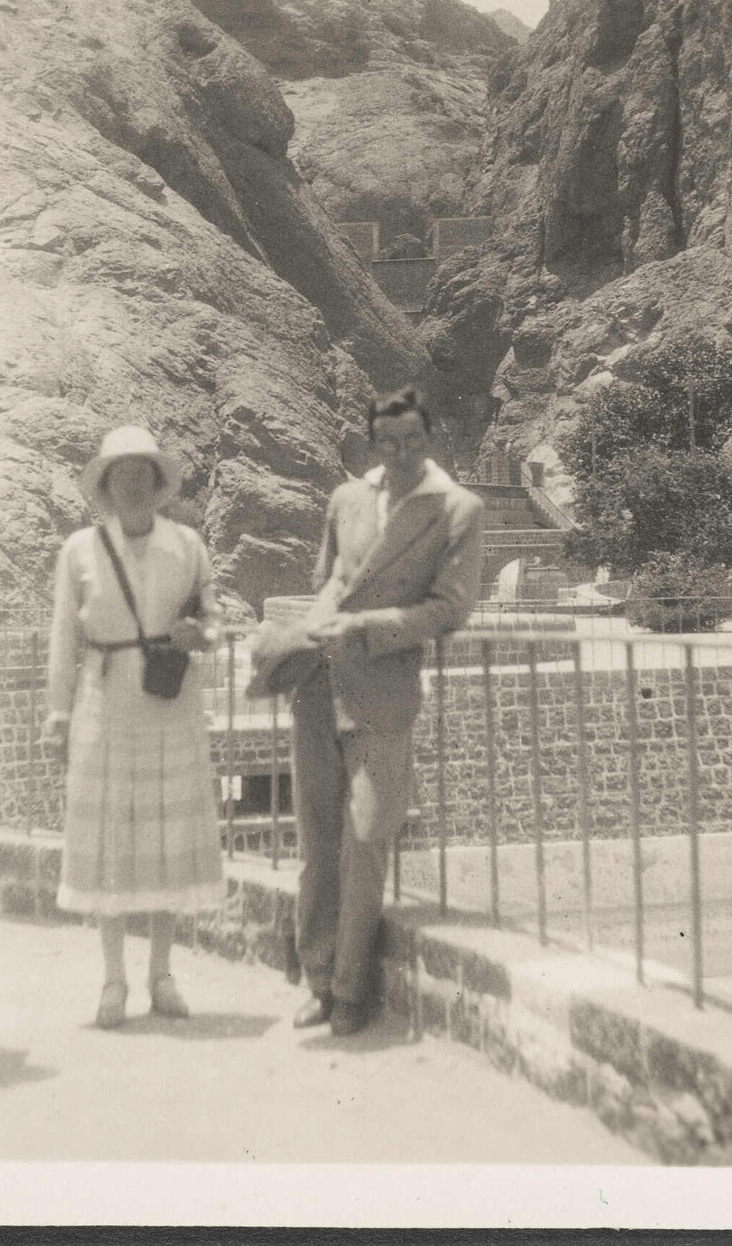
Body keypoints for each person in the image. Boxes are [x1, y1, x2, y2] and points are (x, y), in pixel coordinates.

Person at [289, 387, 484, 1036]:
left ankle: (350, 987)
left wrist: (368, 626)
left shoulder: (455, 508)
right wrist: (319, 620)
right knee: (318, 841)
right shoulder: (345, 498)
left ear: (430, 440)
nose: (399, 454)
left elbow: (451, 607)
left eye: (412, 441)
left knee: (366, 837)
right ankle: (317, 978)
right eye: (387, 442)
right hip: (319, 683)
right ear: (374, 442)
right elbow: (327, 577)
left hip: (384, 689)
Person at [40, 426, 225, 1028]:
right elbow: (64, 636)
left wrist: (203, 635)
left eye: (142, 476)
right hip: (105, 696)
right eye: (121, 478)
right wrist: (57, 713)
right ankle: (113, 980)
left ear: (158, 483)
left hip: (170, 699)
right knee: (112, 839)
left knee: (168, 838)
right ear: (107, 487)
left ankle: (162, 977)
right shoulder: (79, 551)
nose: (133, 487)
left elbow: (215, 621)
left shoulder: (189, 545)